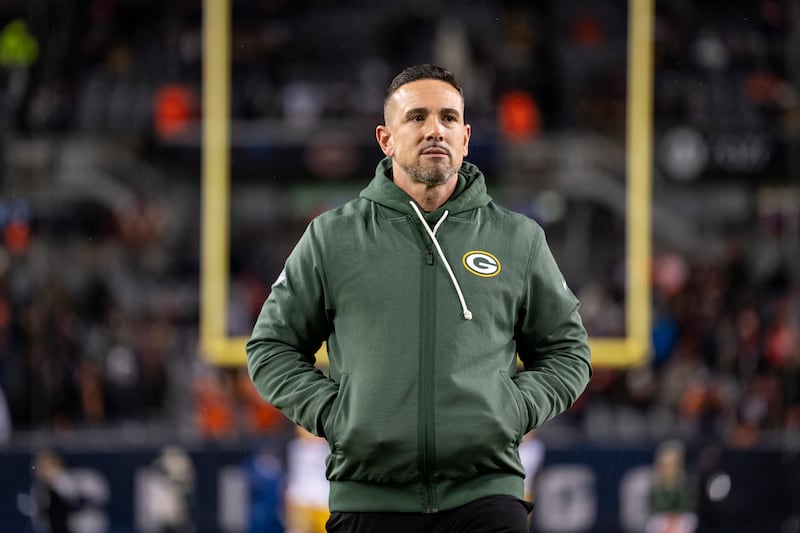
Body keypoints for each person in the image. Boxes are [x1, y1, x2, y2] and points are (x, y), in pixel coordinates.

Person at [246, 64, 592, 533]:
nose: (435, 130)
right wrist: (337, 416)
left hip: (485, 497)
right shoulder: (333, 237)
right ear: (386, 139)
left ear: (465, 138)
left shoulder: (517, 239)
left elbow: (568, 351)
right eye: (417, 117)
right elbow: (270, 348)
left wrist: (513, 410)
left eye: (449, 118)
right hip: (370, 497)